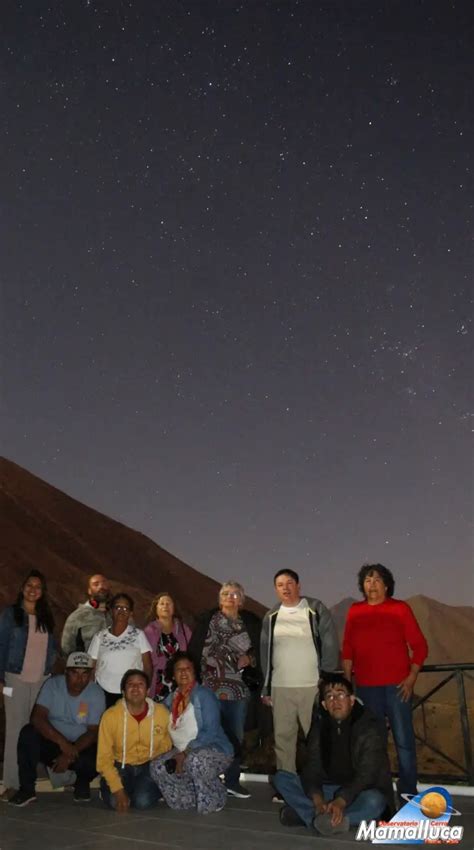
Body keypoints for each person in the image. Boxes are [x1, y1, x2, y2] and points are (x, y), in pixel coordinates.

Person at [342, 563, 428, 799]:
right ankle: (379, 791)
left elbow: (420, 646)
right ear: (362, 585)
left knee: (404, 741)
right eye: (368, 580)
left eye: (377, 579)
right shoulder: (355, 611)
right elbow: (347, 648)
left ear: (387, 584)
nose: (372, 584)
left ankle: (408, 791)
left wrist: (411, 678)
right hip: (367, 688)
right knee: (374, 742)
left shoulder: (399, 608)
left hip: (397, 687)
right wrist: (348, 684)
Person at [273, 674, 394, 836]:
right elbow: (312, 766)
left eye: (341, 694)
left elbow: (368, 774)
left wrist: (341, 800)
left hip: (358, 791)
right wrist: (317, 799)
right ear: (324, 704)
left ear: (351, 700)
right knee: (281, 778)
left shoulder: (369, 727)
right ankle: (328, 819)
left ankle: (310, 817)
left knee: (375, 801)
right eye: (329, 696)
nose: (335, 700)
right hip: (328, 789)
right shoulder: (320, 726)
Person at [260, 569, 339, 775]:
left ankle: (320, 784)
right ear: (275, 589)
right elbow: (265, 653)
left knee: (317, 738)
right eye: (280, 585)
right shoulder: (271, 617)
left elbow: (330, 642)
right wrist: (266, 688)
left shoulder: (314, 609)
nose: (285, 588)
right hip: (281, 686)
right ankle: (287, 785)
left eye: (289, 583)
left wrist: (326, 677)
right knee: (283, 739)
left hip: (312, 686)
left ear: (298, 585)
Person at [188, 581, 262, 798]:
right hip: (210, 687)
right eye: (227, 594)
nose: (231, 597)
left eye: (236, 594)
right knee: (208, 731)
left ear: (242, 600)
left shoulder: (249, 623)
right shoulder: (207, 621)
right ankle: (206, 777)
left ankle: (232, 780)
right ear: (220, 599)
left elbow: (261, 649)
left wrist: (251, 658)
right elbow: (196, 651)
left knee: (235, 735)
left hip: (238, 689)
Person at [9, 652, 105, 807]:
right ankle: (26, 790)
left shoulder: (96, 692)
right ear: (66, 672)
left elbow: (93, 731)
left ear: (91, 675)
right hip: (54, 743)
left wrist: (68, 754)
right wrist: (63, 744)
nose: (80, 679)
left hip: (80, 748)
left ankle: (82, 783)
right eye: (74, 673)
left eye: (85, 674)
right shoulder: (53, 685)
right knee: (28, 733)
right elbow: (37, 718)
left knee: (99, 752)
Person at [150, 652, 233, 814]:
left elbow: (210, 732)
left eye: (187, 668)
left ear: (195, 672)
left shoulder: (204, 695)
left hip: (213, 749)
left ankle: (216, 797)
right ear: (172, 676)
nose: (183, 672)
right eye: (178, 669)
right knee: (158, 766)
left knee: (195, 761)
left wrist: (185, 754)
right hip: (181, 751)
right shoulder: (169, 700)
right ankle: (187, 799)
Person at [0, 569, 56, 801]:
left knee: (36, 730)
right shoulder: (10, 614)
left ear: (42, 592)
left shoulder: (46, 617)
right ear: (22, 588)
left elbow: (51, 648)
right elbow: (1, 644)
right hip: (14, 679)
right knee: (15, 729)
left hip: (41, 681)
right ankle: (12, 783)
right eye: (29, 585)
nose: (33, 590)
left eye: (38, 587)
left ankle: (31, 781)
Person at [97, 668, 171, 811]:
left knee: (142, 802)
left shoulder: (162, 713)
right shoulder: (110, 716)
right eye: (130, 684)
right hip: (121, 765)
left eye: (141, 684)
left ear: (148, 690)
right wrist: (117, 791)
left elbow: (168, 743)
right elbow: (103, 759)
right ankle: (112, 788)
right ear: (123, 691)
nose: (136, 688)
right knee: (115, 802)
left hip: (149, 765)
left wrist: (156, 758)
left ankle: (139, 790)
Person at [88, 593, 152, 708]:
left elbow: (148, 666)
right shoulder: (99, 637)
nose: (121, 610)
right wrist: (92, 692)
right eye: (117, 607)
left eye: (125, 608)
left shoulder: (139, 635)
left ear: (131, 613)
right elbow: (91, 667)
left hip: (132, 693)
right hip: (103, 692)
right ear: (111, 611)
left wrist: (146, 690)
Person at [144, 592, 192, 702]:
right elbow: (145, 660)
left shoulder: (183, 629)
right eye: (162, 603)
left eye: (169, 603)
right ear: (156, 608)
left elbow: (192, 653)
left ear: (174, 608)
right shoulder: (149, 631)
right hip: (158, 683)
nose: (165, 606)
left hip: (180, 680)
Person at [61, 574, 111, 655]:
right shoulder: (77, 616)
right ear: (89, 591)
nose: (101, 587)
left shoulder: (117, 615)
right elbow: (66, 648)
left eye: (104, 583)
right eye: (96, 584)